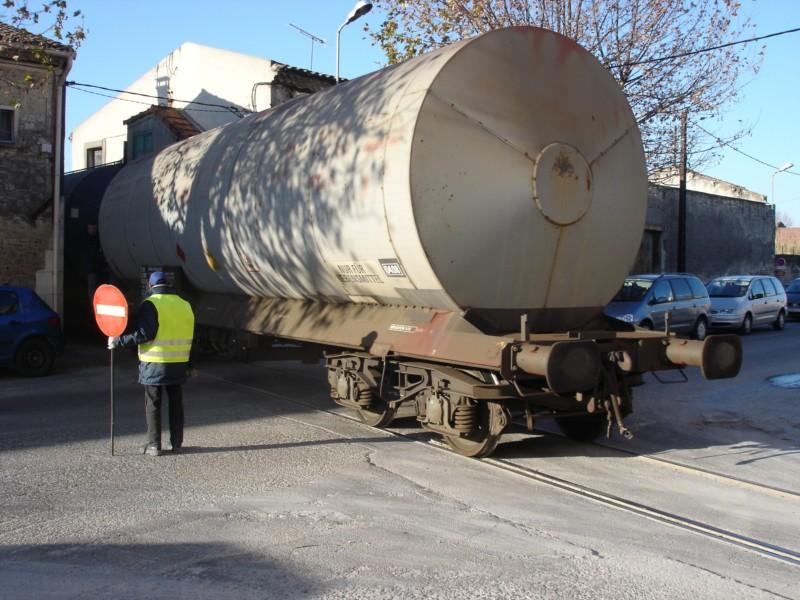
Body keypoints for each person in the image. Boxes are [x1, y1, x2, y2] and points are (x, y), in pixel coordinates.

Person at [109, 271, 195, 456]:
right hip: (179, 362)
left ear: (150, 286)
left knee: (153, 404)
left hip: (155, 362)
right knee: (176, 404)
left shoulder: (150, 304)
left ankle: (154, 445)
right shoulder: (184, 304)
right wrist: (190, 364)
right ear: (168, 285)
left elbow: (144, 334)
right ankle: (177, 443)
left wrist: (118, 341)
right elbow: (190, 335)